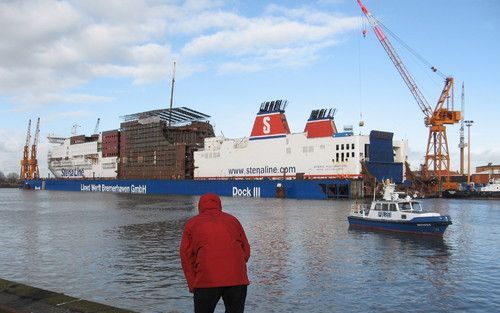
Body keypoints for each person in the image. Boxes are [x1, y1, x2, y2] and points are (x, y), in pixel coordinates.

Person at [180, 193, 251, 313]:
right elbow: (246, 250)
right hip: (237, 279)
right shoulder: (233, 220)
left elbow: (186, 257)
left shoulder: (192, 224)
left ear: (200, 206)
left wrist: (193, 284)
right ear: (219, 205)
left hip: (206, 280)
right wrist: (234, 266)